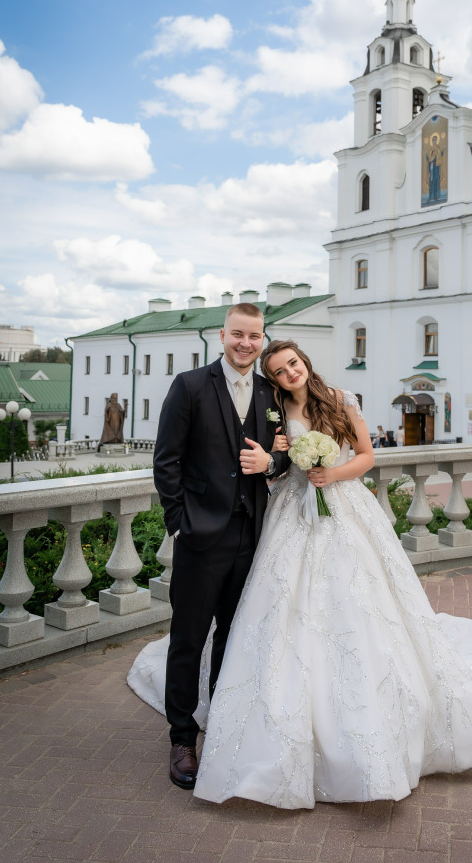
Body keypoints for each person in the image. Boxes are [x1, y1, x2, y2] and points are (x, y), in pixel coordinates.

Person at [128, 339, 472, 808]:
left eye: (293, 364)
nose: (290, 374)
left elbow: (366, 456)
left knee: (355, 605)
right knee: (280, 608)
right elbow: (274, 464)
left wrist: (331, 474)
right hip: (289, 515)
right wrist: (277, 463)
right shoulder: (275, 407)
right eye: (280, 370)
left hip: (342, 509)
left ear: (304, 363)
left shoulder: (342, 400)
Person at [147, 304, 291, 790]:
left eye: (254, 336)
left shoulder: (272, 394)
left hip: (253, 535)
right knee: (188, 638)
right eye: (237, 335)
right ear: (221, 335)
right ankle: (182, 737)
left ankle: (224, 724)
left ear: (263, 337)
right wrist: (178, 523)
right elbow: (166, 460)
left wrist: (269, 464)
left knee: (234, 635)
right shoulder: (189, 386)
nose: (245, 343)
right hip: (200, 536)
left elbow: (283, 459)